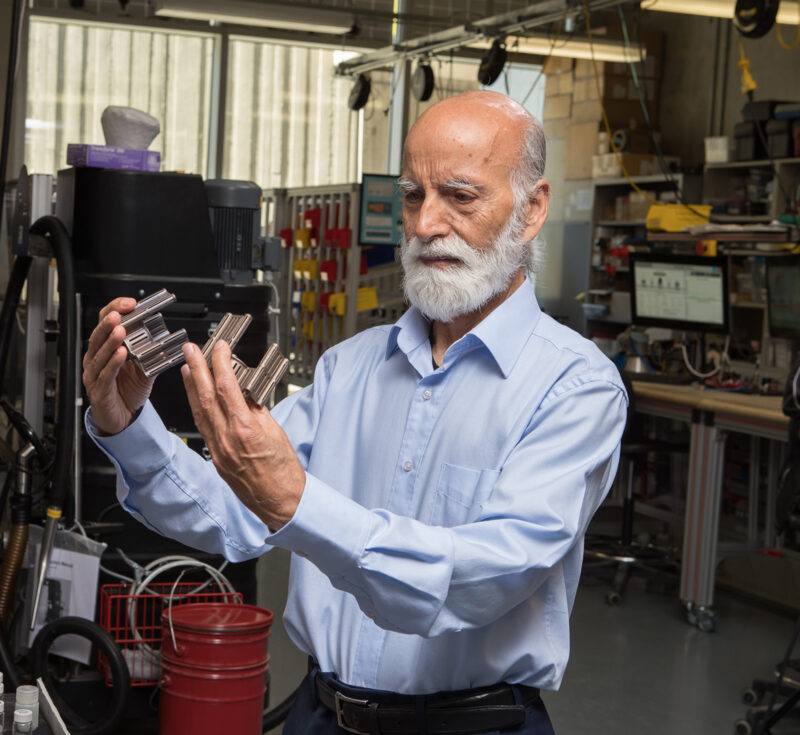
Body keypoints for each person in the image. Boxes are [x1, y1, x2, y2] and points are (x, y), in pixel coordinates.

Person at [83, 90, 627, 735]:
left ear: (532, 210)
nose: (426, 223)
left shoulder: (574, 386)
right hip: (321, 714)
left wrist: (296, 503)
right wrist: (128, 425)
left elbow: (487, 576)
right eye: (411, 195)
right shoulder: (350, 368)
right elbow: (232, 515)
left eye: (460, 195)